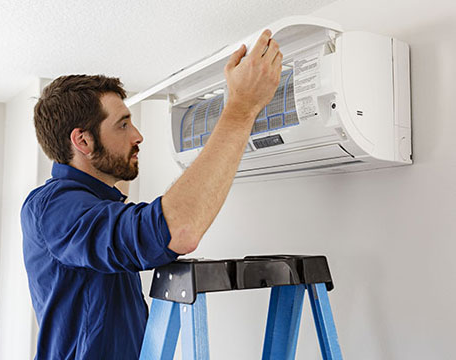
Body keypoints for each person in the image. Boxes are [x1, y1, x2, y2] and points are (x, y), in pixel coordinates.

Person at [22, 29, 282, 359]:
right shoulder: (54, 208)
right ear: (83, 142)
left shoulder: (96, 204)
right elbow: (179, 229)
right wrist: (241, 107)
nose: (138, 135)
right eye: (123, 124)